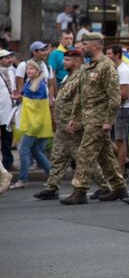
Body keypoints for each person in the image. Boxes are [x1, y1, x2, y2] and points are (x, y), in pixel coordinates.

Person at [60, 33, 129, 204]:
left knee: (85, 153)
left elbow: (114, 97)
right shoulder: (87, 67)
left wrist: (108, 121)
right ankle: (119, 188)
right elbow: (80, 96)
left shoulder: (107, 66)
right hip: (87, 118)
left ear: (96, 46)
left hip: (99, 120)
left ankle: (80, 191)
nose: (82, 47)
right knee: (105, 156)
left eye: (85, 44)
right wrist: (74, 118)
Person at [34, 50, 110, 200]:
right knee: (57, 157)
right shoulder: (69, 76)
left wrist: (77, 121)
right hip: (63, 126)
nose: (63, 63)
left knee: (84, 159)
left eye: (67, 60)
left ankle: (105, 186)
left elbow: (85, 100)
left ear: (76, 61)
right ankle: (52, 187)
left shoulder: (83, 75)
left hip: (73, 126)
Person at [9, 60, 53, 189]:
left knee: (23, 149)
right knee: (35, 150)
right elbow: (31, 102)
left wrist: (22, 98)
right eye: (28, 69)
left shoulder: (39, 85)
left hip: (34, 123)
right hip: (31, 121)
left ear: (38, 71)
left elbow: (37, 105)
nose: (29, 71)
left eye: (32, 69)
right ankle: (52, 175)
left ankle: (23, 179)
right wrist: (21, 98)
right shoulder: (30, 82)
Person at [106, 45, 129, 173]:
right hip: (116, 108)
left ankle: (120, 171)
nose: (106, 56)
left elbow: (125, 93)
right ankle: (126, 161)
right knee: (110, 139)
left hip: (123, 109)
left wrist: (112, 103)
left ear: (117, 55)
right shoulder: (115, 69)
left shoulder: (123, 70)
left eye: (109, 53)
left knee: (120, 140)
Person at [0, 49, 15, 170]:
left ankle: (8, 163)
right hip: (1, 109)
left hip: (9, 111)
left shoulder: (12, 71)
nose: (10, 60)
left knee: (7, 138)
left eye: (10, 57)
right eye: (6, 58)